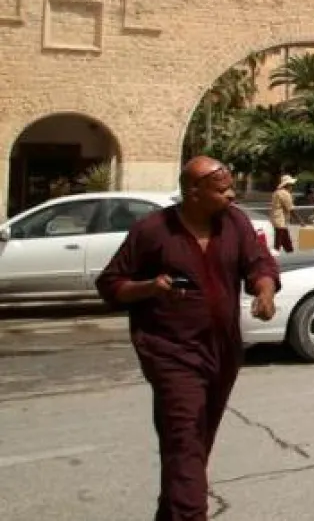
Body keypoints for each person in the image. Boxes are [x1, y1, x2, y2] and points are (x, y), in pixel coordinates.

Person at [95, 156, 280, 521]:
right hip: (171, 352)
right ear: (193, 192)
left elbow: (259, 263)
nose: (232, 195)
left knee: (196, 443)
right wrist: (151, 287)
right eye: (223, 189)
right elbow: (111, 285)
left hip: (223, 350)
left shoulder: (235, 223)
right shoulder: (152, 231)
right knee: (184, 440)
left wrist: (265, 291)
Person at [270, 174, 296, 254]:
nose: (292, 186)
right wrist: (300, 221)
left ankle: (289, 251)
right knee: (278, 240)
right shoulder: (285, 194)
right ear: (287, 184)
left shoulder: (276, 192)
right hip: (280, 219)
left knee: (286, 240)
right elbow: (290, 209)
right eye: (291, 185)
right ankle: (276, 253)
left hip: (276, 218)